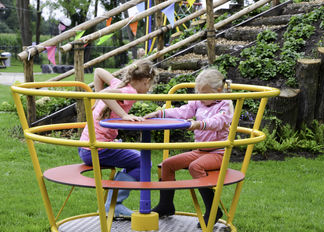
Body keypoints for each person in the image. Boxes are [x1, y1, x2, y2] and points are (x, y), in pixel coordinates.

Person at [144, 68, 233, 227]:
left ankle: (213, 211)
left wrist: (199, 124)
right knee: (167, 164)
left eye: (204, 94)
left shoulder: (225, 104)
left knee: (195, 166)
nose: (200, 97)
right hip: (200, 150)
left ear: (219, 90)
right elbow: (183, 111)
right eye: (198, 93)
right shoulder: (199, 101)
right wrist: (160, 114)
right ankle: (166, 205)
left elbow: (219, 122)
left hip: (218, 152)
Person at [78, 59, 157, 218]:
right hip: (100, 149)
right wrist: (124, 115)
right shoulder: (130, 92)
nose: (148, 89)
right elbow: (105, 94)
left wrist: (96, 100)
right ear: (146, 81)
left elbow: (98, 71)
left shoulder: (119, 84)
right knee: (145, 162)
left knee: (139, 158)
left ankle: (112, 203)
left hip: (86, 146)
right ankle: (112, 205)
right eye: (150, 85)